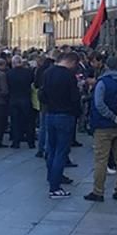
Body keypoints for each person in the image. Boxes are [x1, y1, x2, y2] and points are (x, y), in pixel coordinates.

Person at [40, 52, 82, 198]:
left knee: (51, 149)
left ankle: (51, 177)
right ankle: (55, 186)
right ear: (71, 62)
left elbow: (42, 93)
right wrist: (77, 112)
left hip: (50, 114)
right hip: (65, 115)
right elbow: (75, 98)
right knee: (61, 151)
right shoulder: (68, 76)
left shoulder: (47, 72)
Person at [85, 56, 117, 203]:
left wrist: (111, 116)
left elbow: (98, 104)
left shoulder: (102, 82)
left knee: (101, 160)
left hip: (103, 126)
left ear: (107, 67)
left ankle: (98, 191)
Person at [7, 56, 36, 148]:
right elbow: (33, 83)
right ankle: (30, 142)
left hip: (13, 99)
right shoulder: (28, 72)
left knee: (15, 122)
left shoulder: (9, 73)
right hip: (26, 99)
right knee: (29, 122)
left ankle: (16, 142)